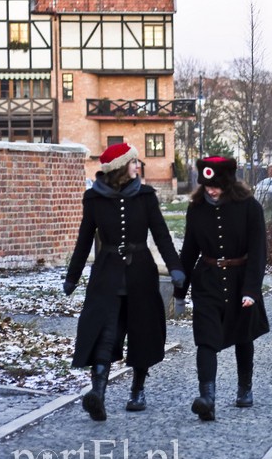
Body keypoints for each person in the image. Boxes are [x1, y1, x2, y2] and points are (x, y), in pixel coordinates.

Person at [63, 142, 185, 421]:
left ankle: (138, 390)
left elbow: (162, 234)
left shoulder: (145, 196)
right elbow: (84, 240)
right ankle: (98, 393)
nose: (137, 166)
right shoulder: (94, 199)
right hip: (106, 276)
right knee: (104, 332)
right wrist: (73, 276)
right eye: (132, 162)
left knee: (142, 332)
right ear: (120, 167)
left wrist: (175, 268)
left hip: (141, 273)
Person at [174, 156, 269, 421]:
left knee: (243, 334)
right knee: (205, 338)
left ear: (227, 184)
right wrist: (180, 292)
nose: (211, 191)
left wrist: (251, 289)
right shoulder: (196, 208)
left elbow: (258, 251)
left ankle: (244, 387)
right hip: (207, 280)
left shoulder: (249, 207)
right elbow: (190, 250)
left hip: (240, 279)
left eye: (215, 186)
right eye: (206, 186)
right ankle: (208, 398)